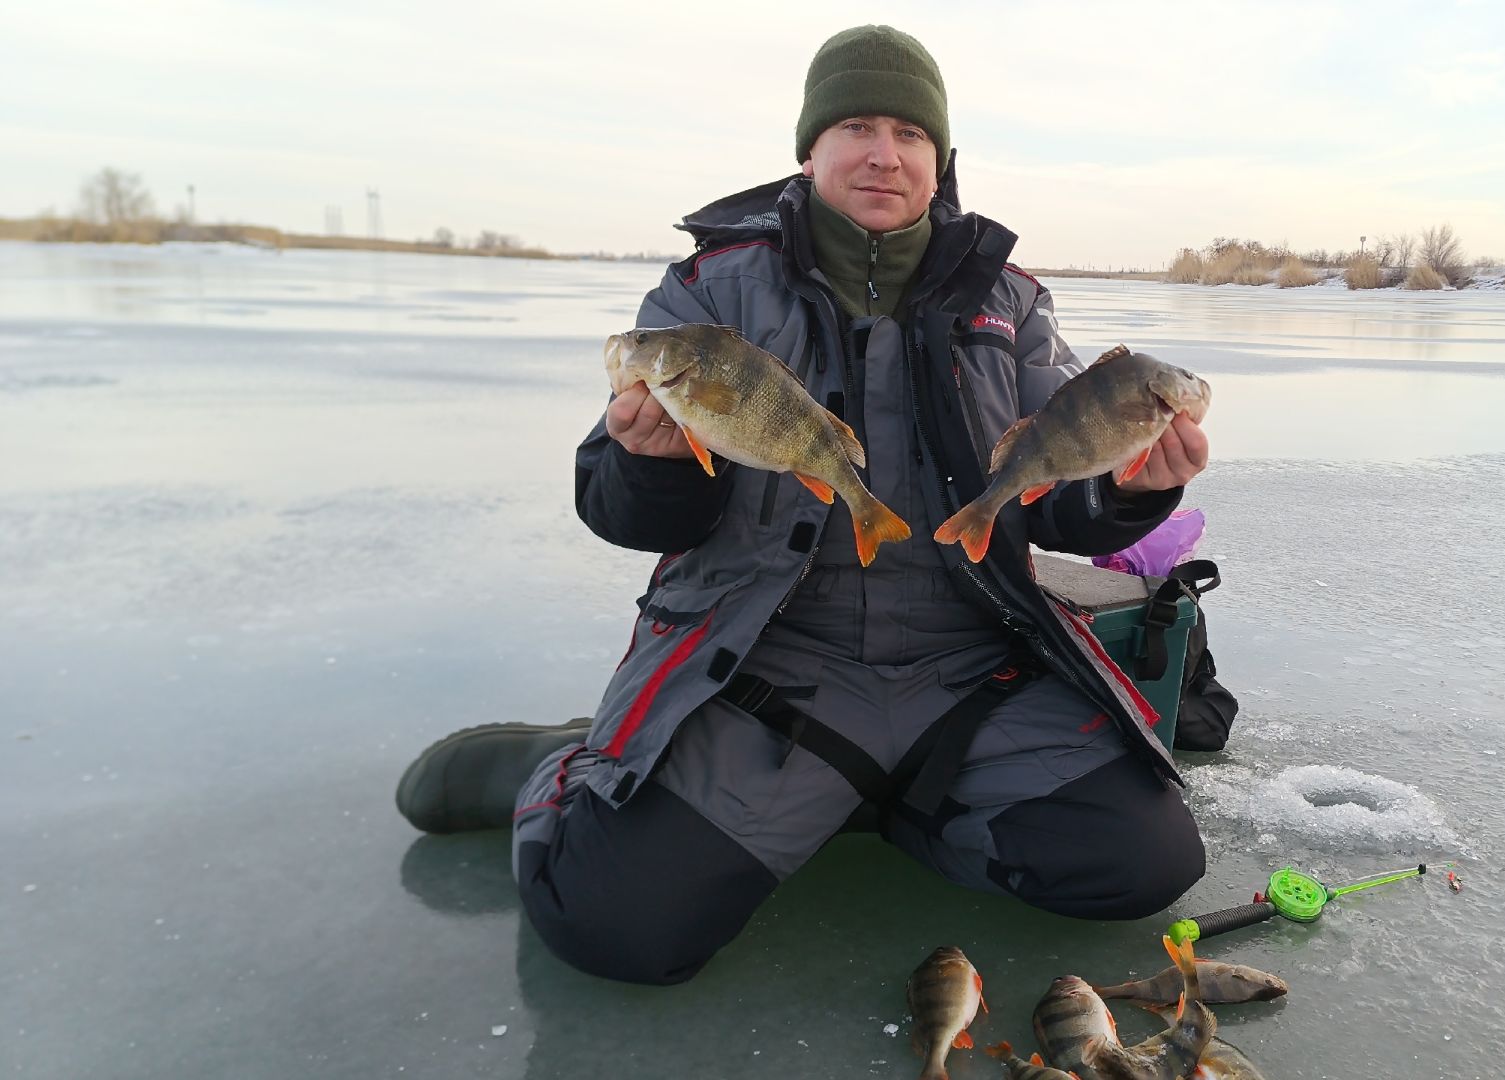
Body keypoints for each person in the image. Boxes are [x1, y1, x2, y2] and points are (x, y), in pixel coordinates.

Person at [395, 24, 1210, 985]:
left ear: (937, 162)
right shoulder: (710, 295)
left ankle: (859, 796)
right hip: (766, 668)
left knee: (1142, 861)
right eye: (856, 126)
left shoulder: (1011, 302)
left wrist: (1126, 490)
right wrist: (652, 464)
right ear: (811, 148)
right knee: (611, 920)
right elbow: (613, 506)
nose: (883, 152)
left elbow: (1056, 501)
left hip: (967, 671)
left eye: (910, 134)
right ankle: (576, 770)